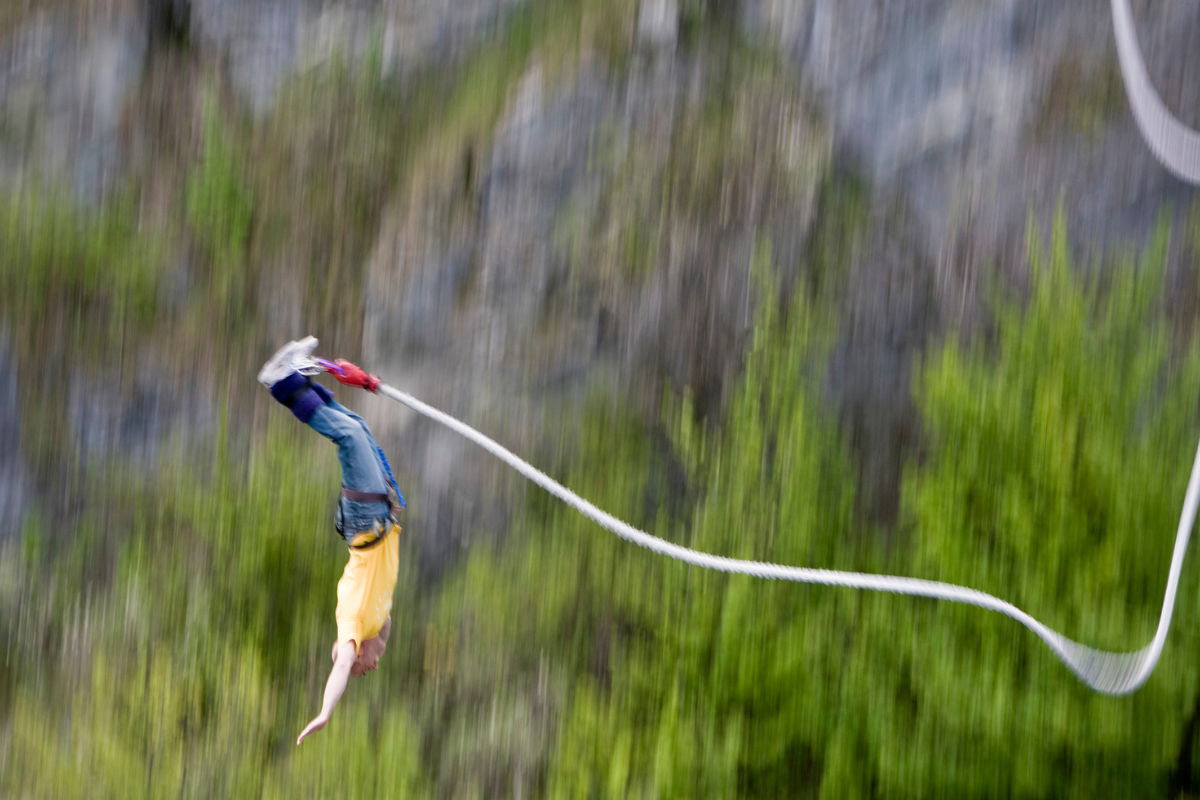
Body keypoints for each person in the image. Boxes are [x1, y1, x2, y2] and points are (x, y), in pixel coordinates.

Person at [257, 336, 403, 745]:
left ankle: (281, 382)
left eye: (361, 669)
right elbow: (386, 630)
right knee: (358, 427)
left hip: (365, 523)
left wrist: (326, 709)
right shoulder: (377, 620)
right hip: (378, 516)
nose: (369, 670)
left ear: (353, 652)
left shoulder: (354, 621)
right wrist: (369, 647)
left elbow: (341, 665)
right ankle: (301, 376)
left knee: (350, 438)